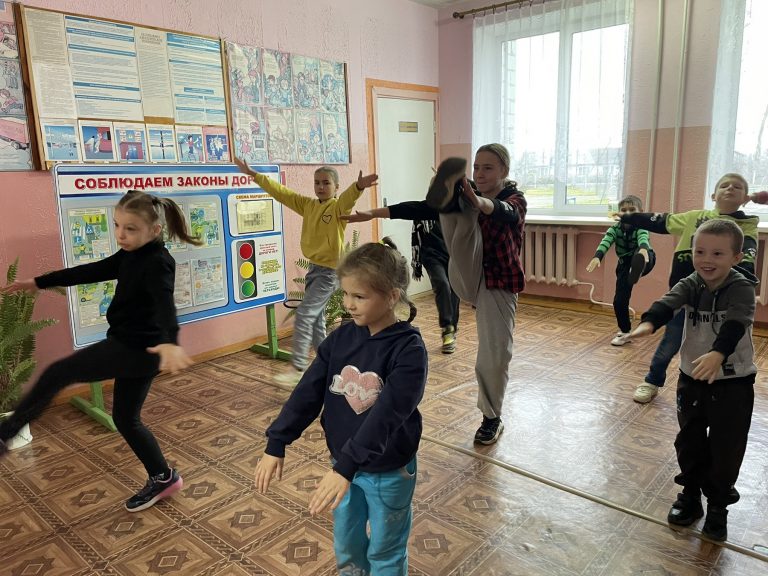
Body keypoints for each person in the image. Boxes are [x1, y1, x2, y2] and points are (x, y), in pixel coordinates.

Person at [0, 190, 202, 512]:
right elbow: (88, 271)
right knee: (125, 419)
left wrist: (171, 340)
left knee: (58, 372)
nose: (121, 234)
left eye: (130, 228)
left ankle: (6, 434)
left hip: (135, 350)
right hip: (138, 350)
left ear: (155, 230)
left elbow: (165, 303)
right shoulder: (131, 255)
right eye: (117, 225)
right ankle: (163, 478)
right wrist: (37, 282)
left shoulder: (157, 262)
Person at [254, 239, 427, 575]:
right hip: (343, 464)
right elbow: (308, 391)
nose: (348, 304)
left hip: (388, 469)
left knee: (386, 551)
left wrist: (345, 467)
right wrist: (277, 441)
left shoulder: (409, 350)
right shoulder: (341, 338)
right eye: (345, 294)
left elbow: (387, 415)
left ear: (392, 296)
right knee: (346, 544)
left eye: (359, 296)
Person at [630, 219, 756, 542]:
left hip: (733, 382)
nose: (706, 260)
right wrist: (649, 323)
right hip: (692, 378)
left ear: (736, 257)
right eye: (700, 252)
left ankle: (718, 506)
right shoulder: (692, 282)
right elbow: (669, 301)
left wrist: (718, 354)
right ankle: (690, 496)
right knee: (689, 440)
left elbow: (737, 322)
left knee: (726, 447)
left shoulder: (741, 287)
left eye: (717, 253)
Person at [234, 158, 378, 388]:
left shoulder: (337, 208)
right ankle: (329, 366)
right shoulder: (308, 206)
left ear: (336, 187)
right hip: (314, 269)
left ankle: (297, 368)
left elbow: (348, 199)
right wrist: (254, 175)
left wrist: (358, 186)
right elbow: (282, 193)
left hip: (330, 272)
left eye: (326, 183)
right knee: (317, 321)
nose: (320, 186)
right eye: (317, 182)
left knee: (305, 314)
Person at [620, 173, 762, 403]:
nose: (730, 188)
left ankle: (717, 385)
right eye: (724, 185)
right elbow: (661, 221)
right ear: (713, 195)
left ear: (746, 197)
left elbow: (746, 263)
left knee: (724, 340)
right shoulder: (695, 217)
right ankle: (652, 380)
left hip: (722, 302)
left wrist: (739, 290)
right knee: (670, 342)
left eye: (737, 187)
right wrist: (631, 217)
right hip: (685, 296)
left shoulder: (746, 226)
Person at [426, 144, 526, 445]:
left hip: (498, 283)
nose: (480, 174)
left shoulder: (515, 199)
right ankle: (446, 198)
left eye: (488, 168)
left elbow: (505, 212)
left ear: (504, 171)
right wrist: (378, 213)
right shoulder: (468, 196)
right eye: (476, 167)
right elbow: (419, 208)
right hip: (468, 273)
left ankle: (492, 417)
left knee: (493, 356)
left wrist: (478, 201)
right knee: (455, 210)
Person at [341, 201, 460, 353]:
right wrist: (372, 213)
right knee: (442, 283)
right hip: (431, 256)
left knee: (455, 289)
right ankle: (447, 328)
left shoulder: (460, 209)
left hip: (454, 256)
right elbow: (406, 209)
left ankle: (452, 327)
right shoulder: (428, 208)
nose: (349, 304)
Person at [586, 194, 656, 346]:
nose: (627, 213)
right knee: (619, 301)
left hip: (645, 256)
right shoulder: (615, 229)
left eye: (632, 210)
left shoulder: (641, 227)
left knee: (641, 254)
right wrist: (597, 256)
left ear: (640, 212)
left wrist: (644, 249)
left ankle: (639, 266)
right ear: (619, 213)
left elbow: (643, 238)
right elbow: (606, 241)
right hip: (624, 265)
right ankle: (625, 332)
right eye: (624, 210)